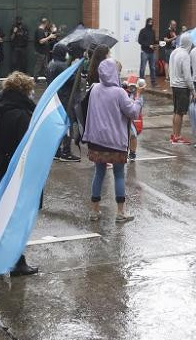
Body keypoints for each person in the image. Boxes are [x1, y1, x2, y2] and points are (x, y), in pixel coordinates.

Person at [0, 71, 38, 276]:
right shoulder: (21, 114)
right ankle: (17, 262)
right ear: (24, 91)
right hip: (13, 173)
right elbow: (25, 148)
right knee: (16, 218)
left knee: (2, 217)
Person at [82, 59, 144, 223]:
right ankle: (120, 212)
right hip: (116, 142)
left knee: (99, 173)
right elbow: (133, 113)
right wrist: (138, 98)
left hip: (96, 140)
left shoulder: (94, 89)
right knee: (118, 175)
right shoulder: (119, 93)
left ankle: (95, 211)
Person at [45, 43, 79, 162]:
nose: (67, 54)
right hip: (65, 98)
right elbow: (72, 79)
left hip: (55, 98)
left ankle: (57, 151)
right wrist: (75, 67)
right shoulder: (61, 66)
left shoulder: (51, 64)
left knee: (58, 124)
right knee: (67, 124)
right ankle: (66, 152)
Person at [168, 32, 193, 144]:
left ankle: (174, 134)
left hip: (174, 85)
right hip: (182, 87)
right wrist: (192, 88)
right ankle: (177, 136)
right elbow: (187, 76)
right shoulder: (185, 55)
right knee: (180, 112)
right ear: (189, 43)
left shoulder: (174, 52)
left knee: (175, 111)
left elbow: (169, 68)